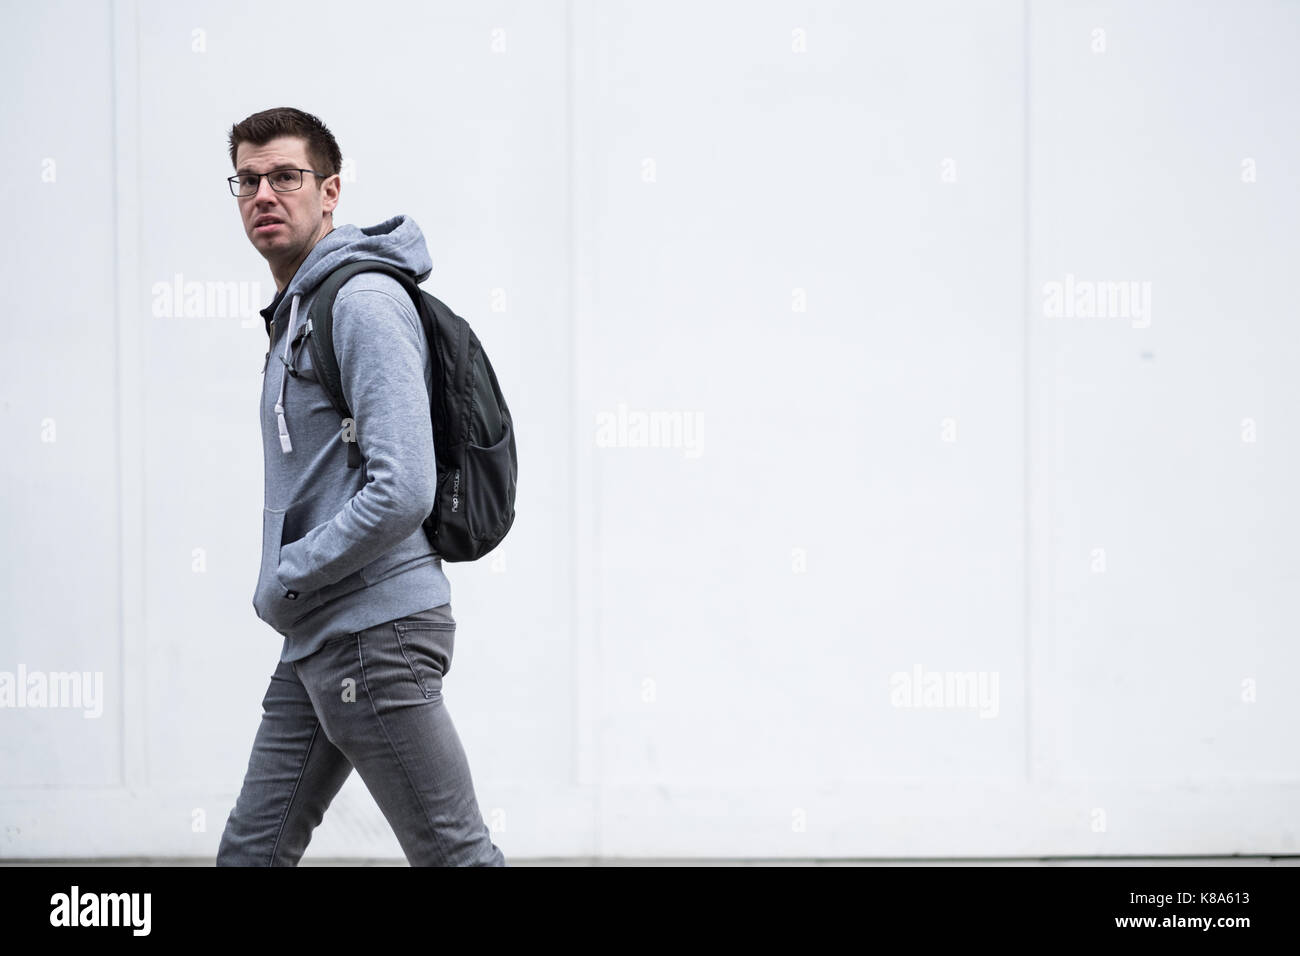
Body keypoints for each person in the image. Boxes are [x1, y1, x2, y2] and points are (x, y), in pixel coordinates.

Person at [215, 106, 506, 867]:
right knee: (252, 851)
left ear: (331, 190)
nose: (263, 195)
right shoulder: (298, 312)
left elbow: (403, 488)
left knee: (454, 854)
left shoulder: (362, 303)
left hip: (376, 638)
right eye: (247, 180)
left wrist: (290, 573)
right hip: (322, 637)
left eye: (285, 176)